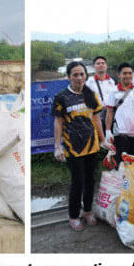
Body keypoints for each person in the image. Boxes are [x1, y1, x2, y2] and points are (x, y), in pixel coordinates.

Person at [51, 62, 104, 231]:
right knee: (77, 182)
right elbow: (58, 122)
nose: (79, 78)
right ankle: (73, 215)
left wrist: (103, 140)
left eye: (82, 74)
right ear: (68, 77)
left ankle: (87, 211)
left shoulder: (91, 95)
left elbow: (96, 120)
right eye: (75, 75)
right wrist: (58, 146)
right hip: (73, 148)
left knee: (90, 181)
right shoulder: (61, 97)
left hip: (92, 146)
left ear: (86, 76)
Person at [104, 63, 134, 164]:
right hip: (120, 133)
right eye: (124, 73)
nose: (128, 76)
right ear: (119, 75)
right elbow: (109, 112)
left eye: (130, 73)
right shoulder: (113, 91)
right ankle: (121, 179)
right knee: (121, 162)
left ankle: (133, 180)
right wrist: (108, 130)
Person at [85, 56, 117, 125]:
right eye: (98, 63)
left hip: (110, 114)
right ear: (93, 66)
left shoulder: (112, 81)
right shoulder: (89, 82)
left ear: (106, 66)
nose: (101, 65)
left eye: (103, 63)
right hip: (95, 115)